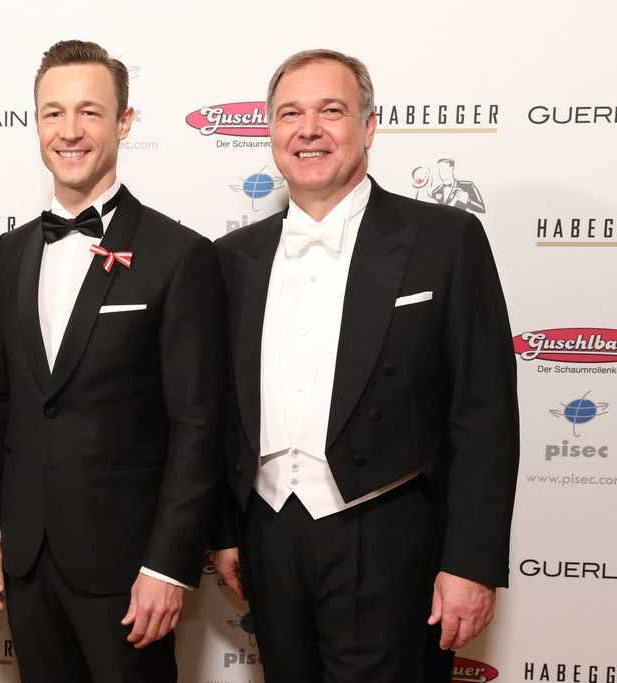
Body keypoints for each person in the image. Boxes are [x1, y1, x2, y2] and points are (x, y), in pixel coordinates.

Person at [211, 49, 519, 682]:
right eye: (290, 113)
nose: (309, 129)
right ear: (270, 131)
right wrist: (222, 531)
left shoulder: (445, 240)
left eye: (331, 110)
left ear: (369, 125)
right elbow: (213, 409)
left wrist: (471, 563)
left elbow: (484, 413)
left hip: (388, 534)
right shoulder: (229, 257)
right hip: (268, 533)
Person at [0, 40, 225, 682]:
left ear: (124, 122)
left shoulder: (178, 253)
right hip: (25, 560)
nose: (70, 131)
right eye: (53, 113)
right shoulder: (9, 253)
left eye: (89, 112)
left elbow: (198, 423)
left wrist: (168, 565)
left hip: (129, 567)